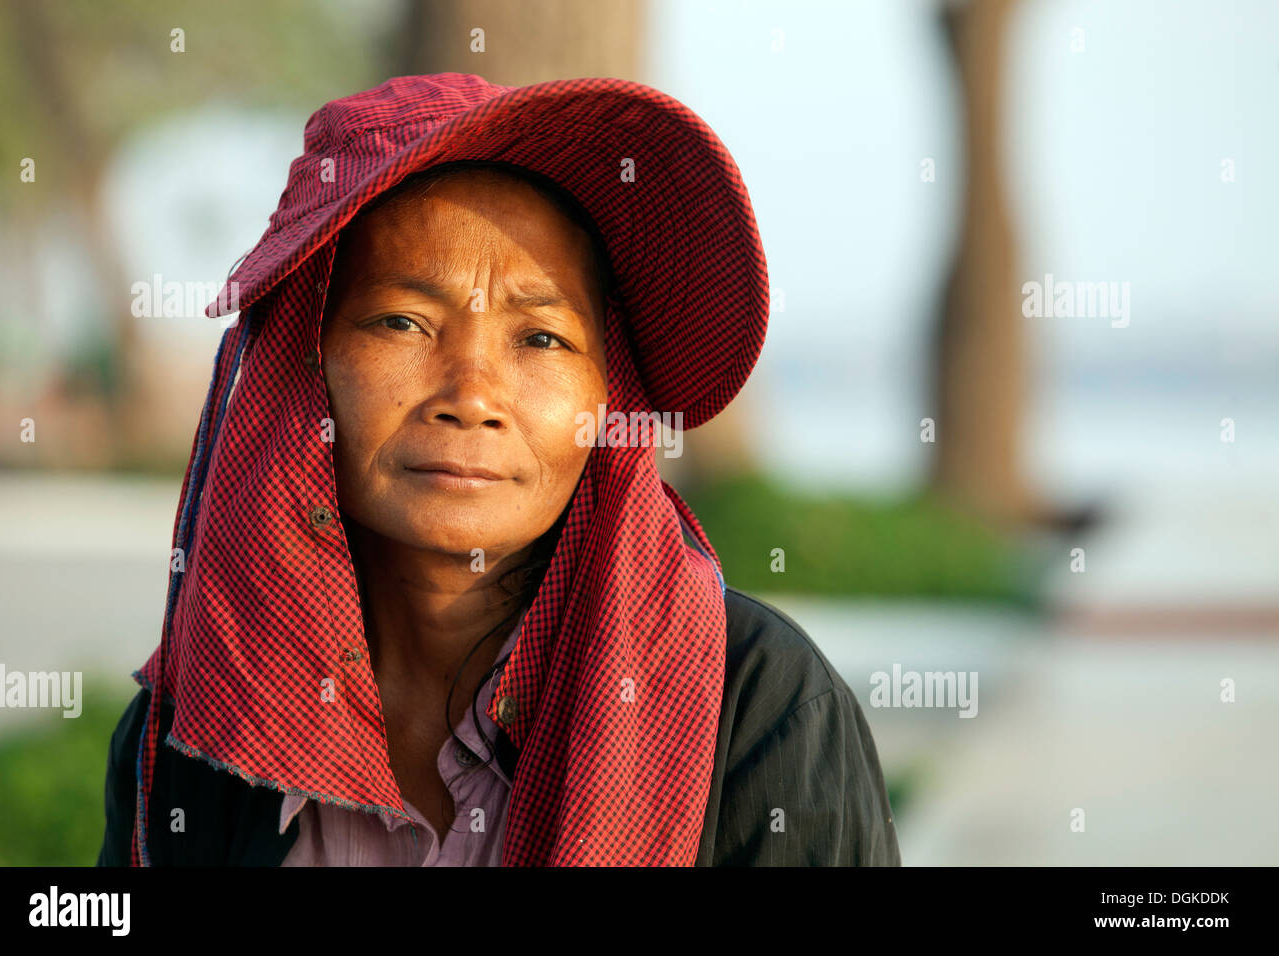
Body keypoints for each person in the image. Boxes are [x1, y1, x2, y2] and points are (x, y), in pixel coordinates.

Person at [96, 73, 900, 867]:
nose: (471, 398)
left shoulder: (757, 708)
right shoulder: (198, 732)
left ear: (606, 392)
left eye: (542, 338)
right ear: (303, 367)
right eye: (403, 322)